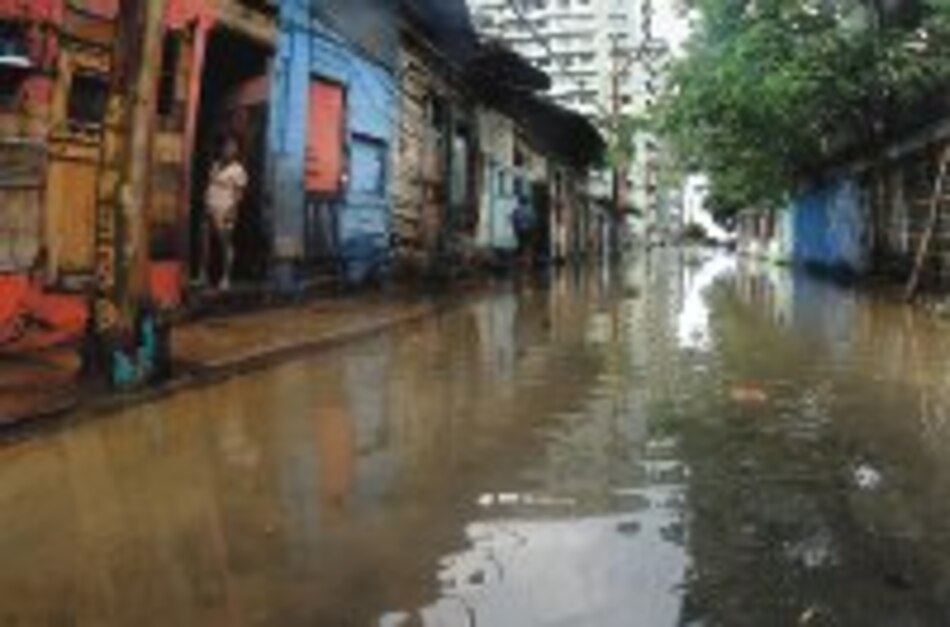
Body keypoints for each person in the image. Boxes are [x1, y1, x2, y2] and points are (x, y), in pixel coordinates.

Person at [202, 136, 248, 290]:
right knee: (205, 243)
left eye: (232, 148)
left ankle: (225, 277)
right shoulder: (215, 165)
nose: (228, 150)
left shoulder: (238, 170)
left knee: (225, 244)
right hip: (210, 208)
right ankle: (203, 275)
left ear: (236, 152)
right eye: (227, 147)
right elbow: (210, 185)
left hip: (225, 209)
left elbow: (239, 194)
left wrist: (233, 211)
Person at [511, 190, 536, 266]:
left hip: (520, 230)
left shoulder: (517, 210)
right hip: (528, 230)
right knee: (528, 245)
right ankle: (528, 259)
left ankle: (523, 259)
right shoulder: (530, 210)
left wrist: (515, 229)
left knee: (521, 244)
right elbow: (533, 220)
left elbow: (514, 220)